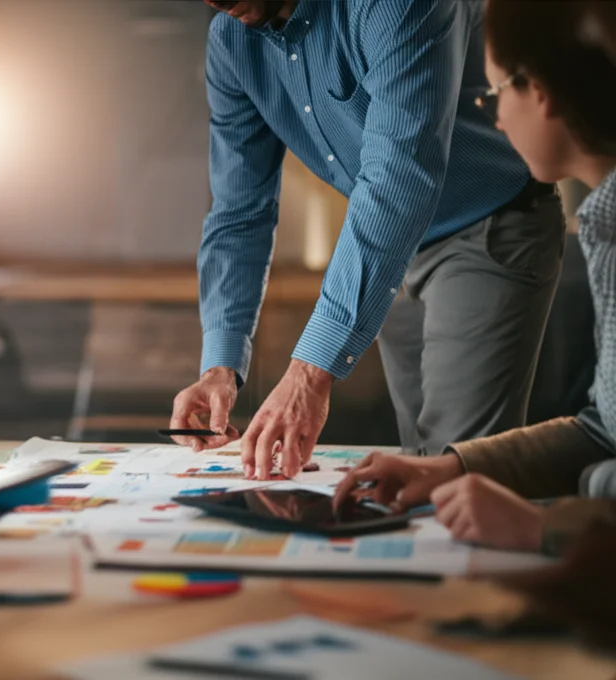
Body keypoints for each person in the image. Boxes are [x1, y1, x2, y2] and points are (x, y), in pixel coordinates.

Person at [170, 0, 567, 480]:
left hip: (488, 223)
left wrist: (308, 371)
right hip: (388, 248)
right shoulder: (230, 44)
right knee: (421, 463)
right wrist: (221, 366)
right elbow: (238, 212)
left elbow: (398, 175)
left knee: (453, 471)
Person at [334, 0, 616, 556]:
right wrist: (453, 467)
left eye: (493, 95)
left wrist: (541, 529)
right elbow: (603, 431)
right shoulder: (604, 227)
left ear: (538, 91)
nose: (495, 118)